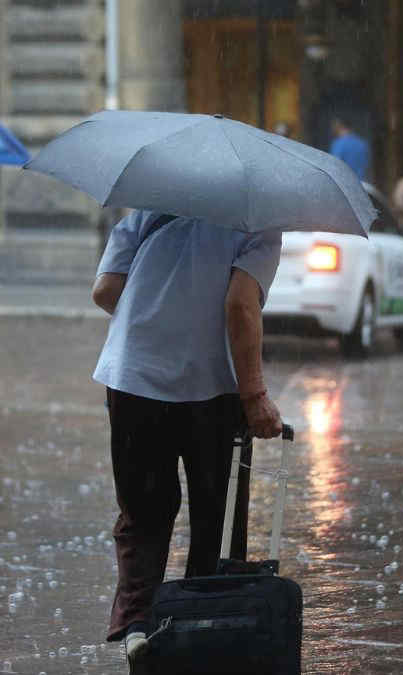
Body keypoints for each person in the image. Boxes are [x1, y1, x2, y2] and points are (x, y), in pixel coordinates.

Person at [91, 210, 283, 668]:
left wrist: (162, 305)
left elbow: (105, 291)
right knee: (215, 515)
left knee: (142, 510)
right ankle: (199, 624)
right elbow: (240, 305)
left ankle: (137, 624)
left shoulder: (146, 207)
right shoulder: (257, 220)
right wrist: (255, 396)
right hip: (211, 388)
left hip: (133, 375)